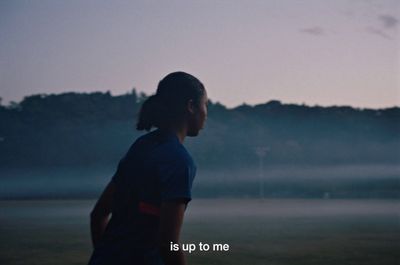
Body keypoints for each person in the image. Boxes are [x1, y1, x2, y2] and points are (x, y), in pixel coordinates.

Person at [87, 71, 208, 265]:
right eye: (205, 105)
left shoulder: (142, 146)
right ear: (191, 106)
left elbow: (98, 214)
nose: (206, 113)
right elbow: (168, 245)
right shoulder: (178, 161)